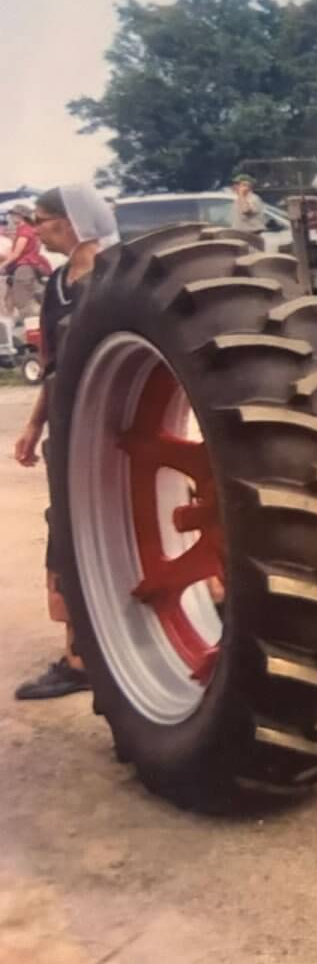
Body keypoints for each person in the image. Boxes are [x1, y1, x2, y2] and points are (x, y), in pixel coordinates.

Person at [13, 185, 119, 699]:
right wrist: (35, 425)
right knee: (67, 532)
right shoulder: (56, 285)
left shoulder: (118, 276)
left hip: (117, 427)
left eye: (43, 221)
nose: (35, 231)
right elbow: (52, 366)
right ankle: (79, 654)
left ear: (71, 222)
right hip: (68, 427)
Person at [4, 205, 52, 322]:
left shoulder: (24, 231)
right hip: (30, 266)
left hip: (24, 267)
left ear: (21, 216)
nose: (11, 217)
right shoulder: (30, 230)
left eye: (14, 214)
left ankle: (35, 323)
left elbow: (16, 254)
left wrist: (2, 265)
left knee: (23, 300)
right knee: (13, 297)